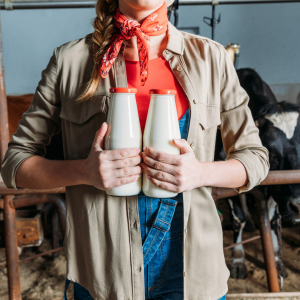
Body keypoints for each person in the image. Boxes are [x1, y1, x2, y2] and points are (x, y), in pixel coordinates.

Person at [1, 0, 269, 299]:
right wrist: (84, 171)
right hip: (102, 272)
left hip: (193, 272)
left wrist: (199, 173)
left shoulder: (211, 58)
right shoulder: (69, 61)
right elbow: (15, 165)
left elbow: (255, 159)